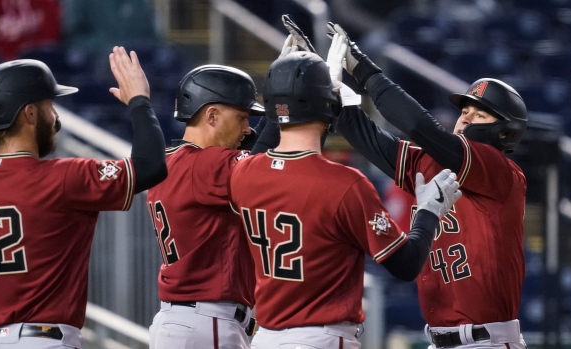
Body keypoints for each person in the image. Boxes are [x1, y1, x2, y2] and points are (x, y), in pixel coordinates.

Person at [228, 50, 462, 349]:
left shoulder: (242, 172)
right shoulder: (345, 184)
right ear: (329, 105)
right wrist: (429, 212)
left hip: (264, 338)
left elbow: (282, 161)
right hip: (321, 338)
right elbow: (405, 265)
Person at [326, 22, 529, 349]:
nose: (465, 118)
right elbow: (374, 143)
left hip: (487, 341)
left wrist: (365, 71)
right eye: (465, 110)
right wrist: (332, 96)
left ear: (506, 133)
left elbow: (421, 127)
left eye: (480, 114)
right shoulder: (436, 161)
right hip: (436, 338)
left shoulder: (502, 172)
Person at [0, 47, 167, 348]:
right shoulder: (63, 177)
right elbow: (151, 166)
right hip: (41, 339)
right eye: (49, 105)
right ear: (29, 113)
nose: (55, 116)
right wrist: (139, 101)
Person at [145, 64, 271, 349]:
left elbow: (252, 155)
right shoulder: (205, 164)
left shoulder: (172, 161)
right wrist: (286, 100)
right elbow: (262, 166)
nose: (247, 127)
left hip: (182, 320)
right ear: (211, 115)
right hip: (207, 322)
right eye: (241, 117)